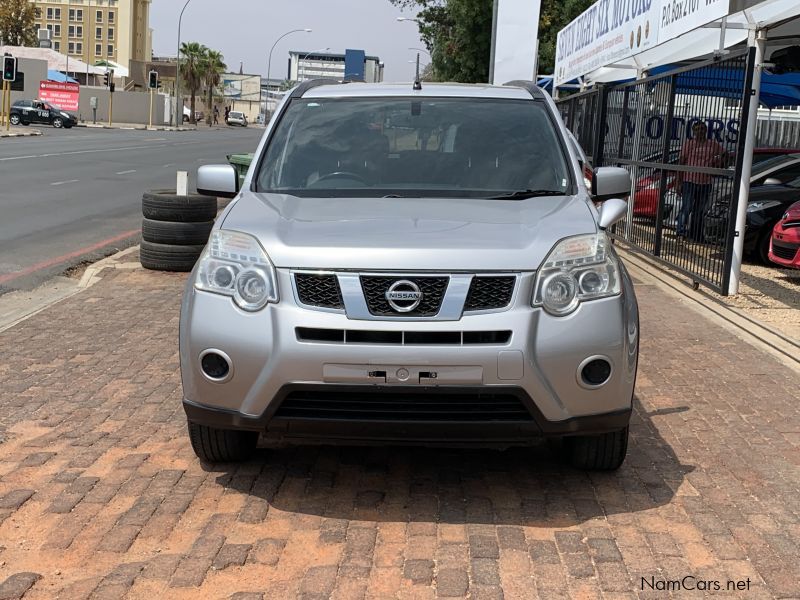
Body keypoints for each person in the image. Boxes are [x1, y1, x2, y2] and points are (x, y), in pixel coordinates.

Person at [675, 121, 727, 241]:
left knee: (699, 211)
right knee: (686, 208)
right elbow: (681, 162)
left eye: (702, 129)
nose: (700, 131)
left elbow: (725, 153)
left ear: (706, 130)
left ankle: (696, 235)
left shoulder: (712, 144)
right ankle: (680, 232)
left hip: (705, 182)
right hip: (689, 181)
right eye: (697, 129)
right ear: (693, 131)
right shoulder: (689, 144)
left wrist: (720, 164)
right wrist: (678, 183)